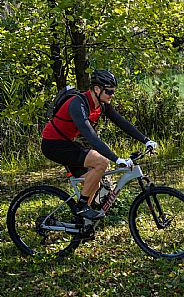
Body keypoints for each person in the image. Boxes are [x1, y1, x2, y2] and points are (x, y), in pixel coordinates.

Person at [41, 70, 157, 220]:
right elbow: (91, 136)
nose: (111, 95)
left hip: (66, 142)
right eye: (109, 91)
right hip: (53, 144)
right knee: (101, 162)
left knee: (94, 183)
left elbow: (122, 123)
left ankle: (82, 222)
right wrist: (116, 159)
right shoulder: (78, 103)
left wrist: (146, 140)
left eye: (113, 91)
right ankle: (82, 206)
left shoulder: (101, 105)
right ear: (97, 89)